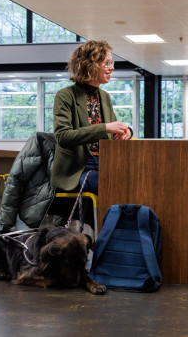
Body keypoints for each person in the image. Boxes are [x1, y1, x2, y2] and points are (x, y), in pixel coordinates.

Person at [51, 40, 133, 224]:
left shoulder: (105, 97)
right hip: (79, 169)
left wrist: (126, 132)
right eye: (107, 63)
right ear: (90, 65)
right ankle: (106, 236)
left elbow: (112, 132)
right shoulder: (65, 96)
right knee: (115, 184)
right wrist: (104, 128)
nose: (111, 68)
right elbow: (63, 137)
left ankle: (113, 236)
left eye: (112, 63)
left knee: (133, 181)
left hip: (103, 164)